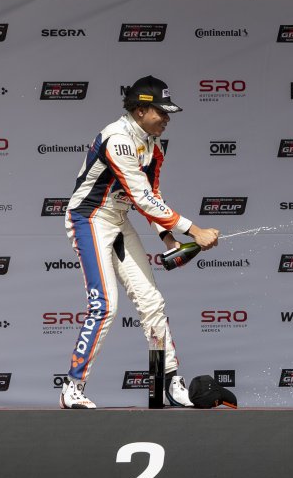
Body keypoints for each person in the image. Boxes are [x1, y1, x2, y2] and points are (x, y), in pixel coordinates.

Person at [59, 76, 220, 409]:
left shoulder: (153, 145)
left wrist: (168, 238)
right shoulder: (117, 138)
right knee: (105, 305)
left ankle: (166, 383)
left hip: (119, 220)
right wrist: (194, 230)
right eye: (162, 111)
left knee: (152, 303)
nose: (167, 118)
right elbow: (141, 196)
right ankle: (72, 387)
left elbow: (151, 195)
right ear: (141, 109)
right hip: (89, 218)